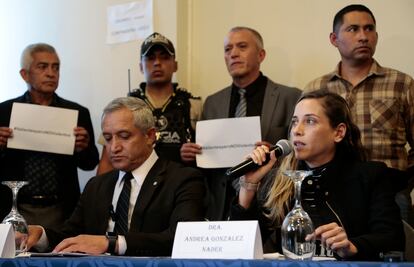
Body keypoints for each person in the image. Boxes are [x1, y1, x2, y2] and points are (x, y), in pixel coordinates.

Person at [231, 90, 405, 261]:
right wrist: (248, 185)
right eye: (294, 122)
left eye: (310, 121)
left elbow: (392, 240)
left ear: (338, 133)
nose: (297, 130)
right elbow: (240, 248)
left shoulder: (370, 176)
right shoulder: (281, 180)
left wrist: (352, 246)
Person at [27, 97, 205, 256]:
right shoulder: (96, 185)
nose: (114, 147)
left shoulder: (184, 180)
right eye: (108, 138)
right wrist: (41, 235)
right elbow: (71, 235)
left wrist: (112, 244)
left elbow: (183, 239)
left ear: (150, 136)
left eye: (124, 136)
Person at [304, 4, 414, 226]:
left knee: (395, 257)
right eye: (353, 29)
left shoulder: (401, 84)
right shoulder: (317, 89)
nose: (363, 36)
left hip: (391, 194)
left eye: (369, 29)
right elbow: (303, 144)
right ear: (334, 39)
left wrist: (404, 182)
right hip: (330, 196)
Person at [181, 26, 301, 220]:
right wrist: (191, 155)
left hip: (272, 202)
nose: (234, 54)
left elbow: (301, 153)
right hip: (221, 206)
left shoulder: (291, 97)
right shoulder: (212, 103)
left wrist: (276, 153)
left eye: (242, 47)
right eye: (228, 49)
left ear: (261, 55)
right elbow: (205, 162)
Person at [0, 43, 99, 228]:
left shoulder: (77, 112)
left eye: (56, 67)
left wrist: (84, 147)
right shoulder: (3, 112)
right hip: (13, 208)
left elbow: (90, 163)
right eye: (42, 66)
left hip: (62, 211)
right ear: (24, 74)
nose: (51, 73)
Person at [97, 32, 202, 175]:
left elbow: (211, 158)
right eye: (150, 58)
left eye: (164, 58)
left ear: (175, 65)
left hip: (181, 186)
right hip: (137, 189)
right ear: (141, 66)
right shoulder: (122, 110)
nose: (157, 63)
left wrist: (196, 156)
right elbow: (107, 162)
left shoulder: (193, 105)